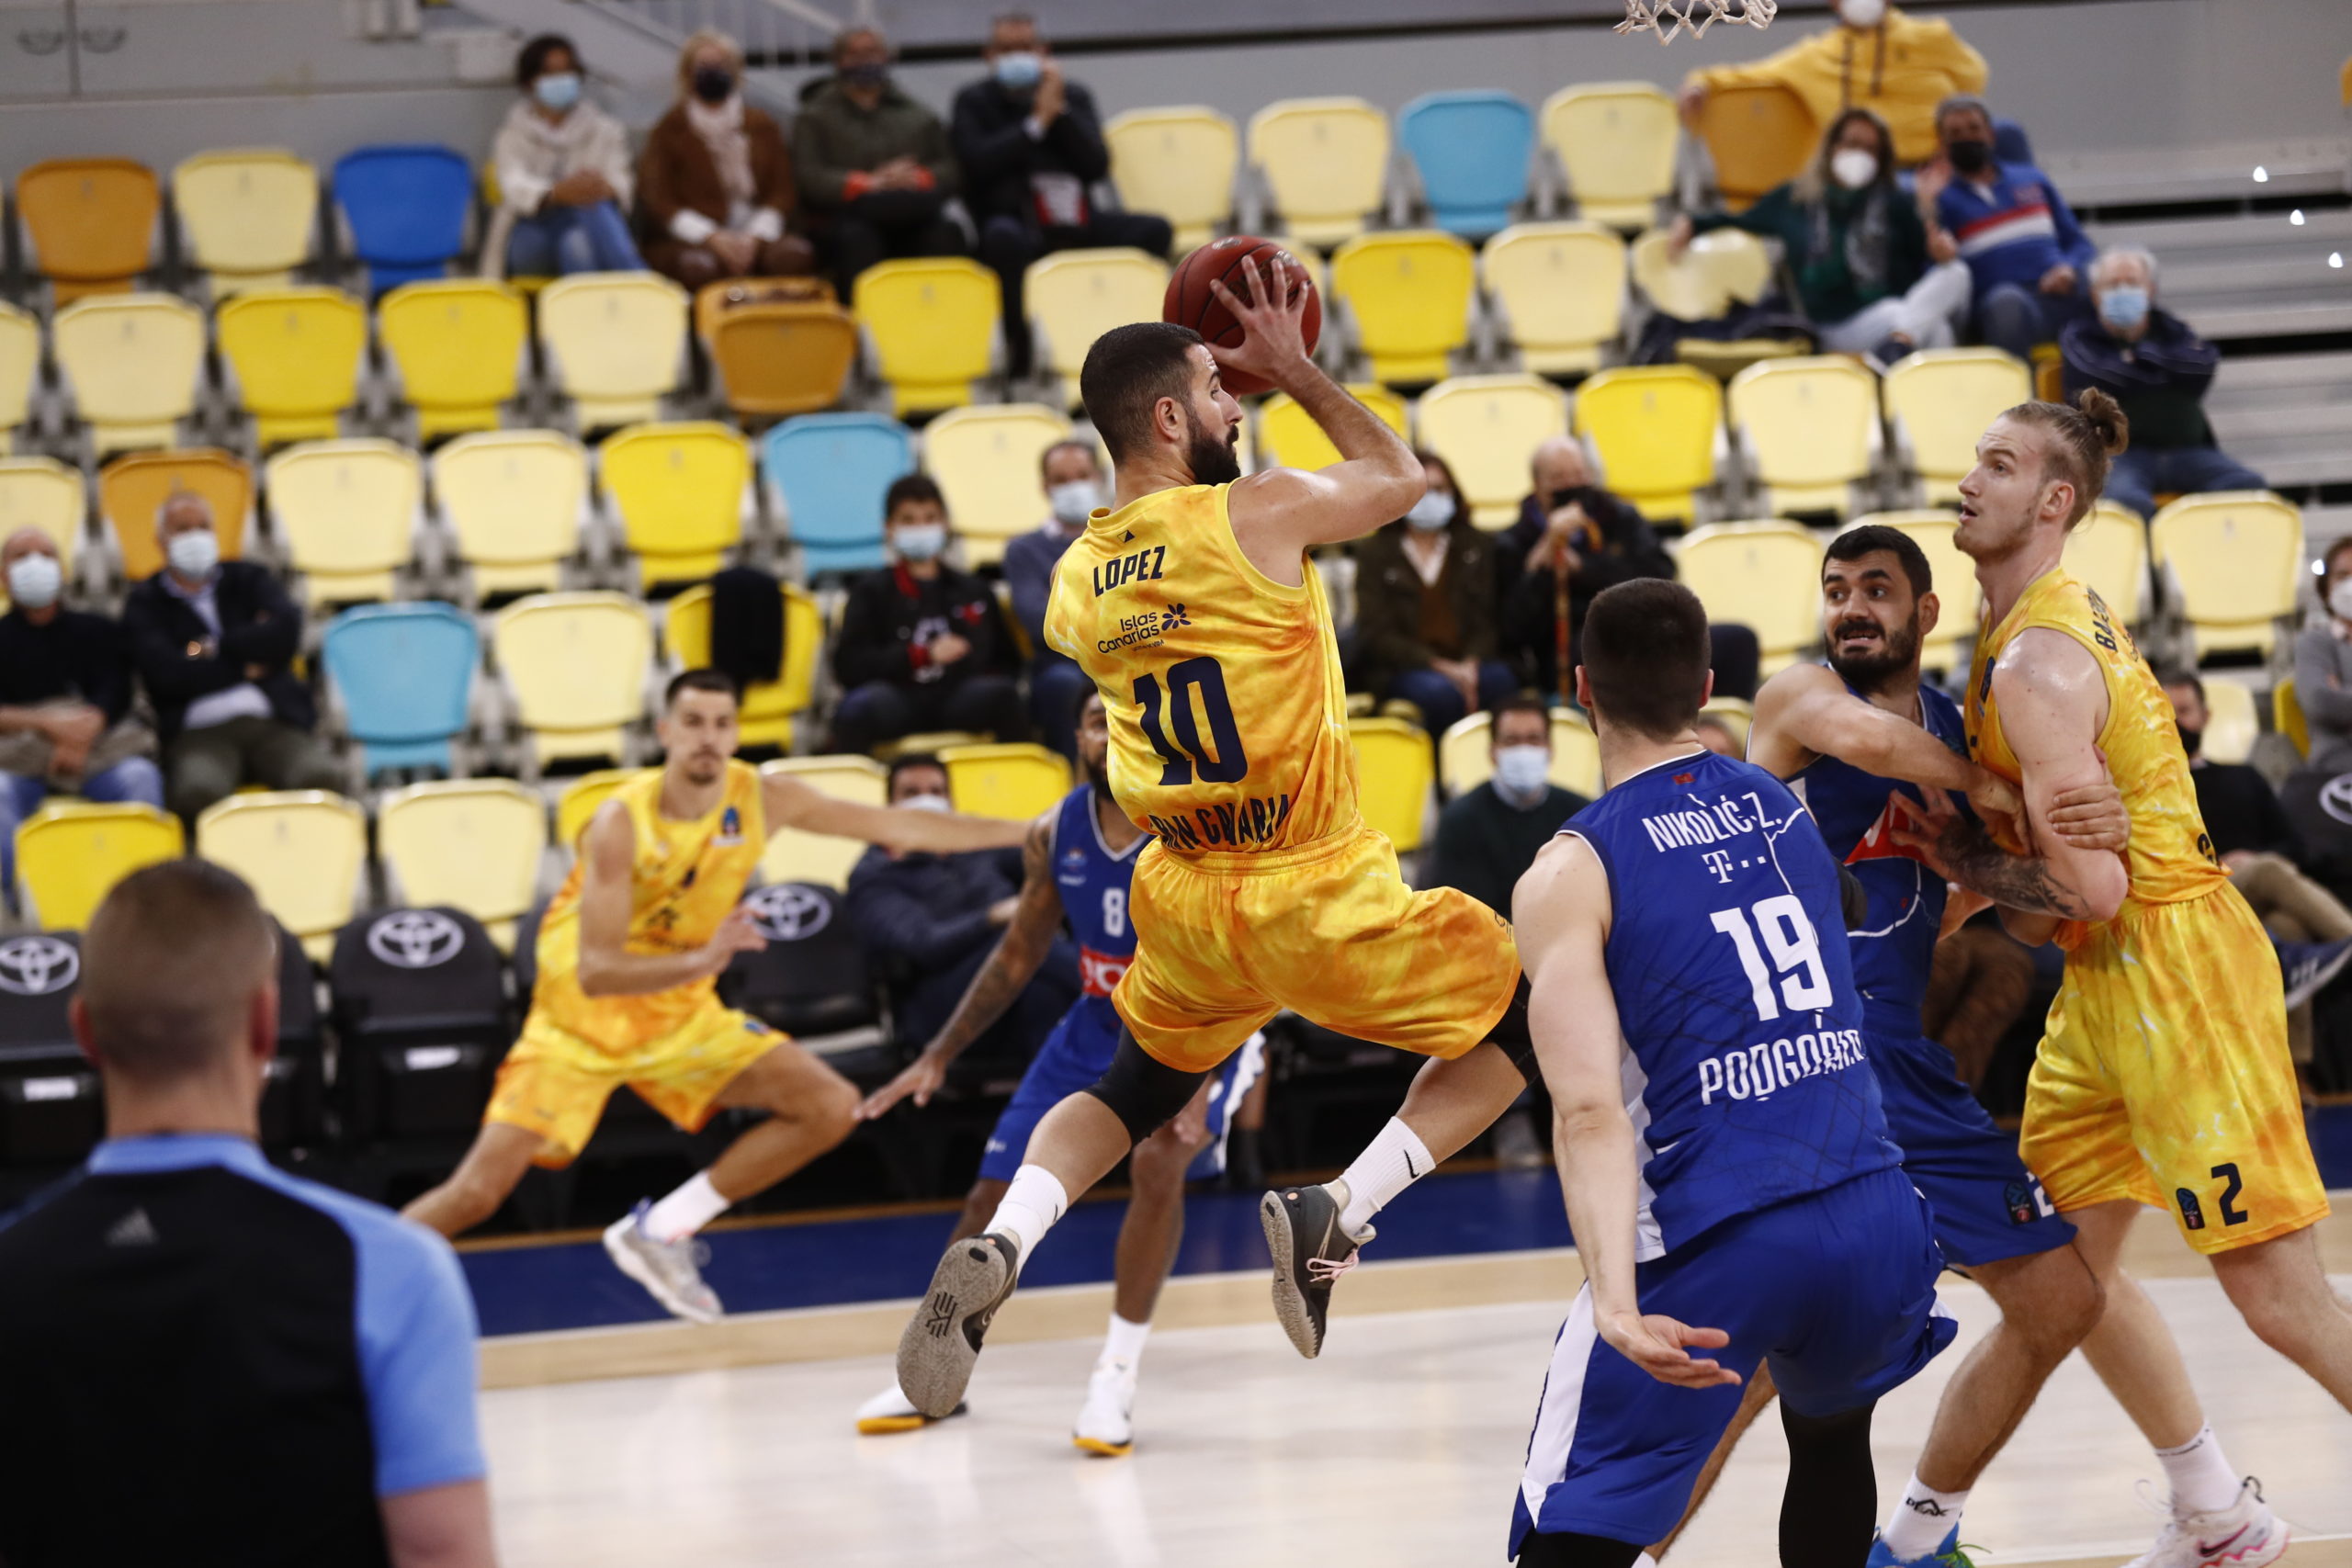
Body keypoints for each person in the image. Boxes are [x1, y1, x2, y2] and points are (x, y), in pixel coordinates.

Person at [891, 270, 1536, 1416]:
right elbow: (1400, 478)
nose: (1236, 406)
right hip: (1309, 883)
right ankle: (1340, 1210)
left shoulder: (1077, 579)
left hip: (1186, 893)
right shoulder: (1260, 511)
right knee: (1531, 1019)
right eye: (1214, 388)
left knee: (1133, 1084)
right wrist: (1294, 367)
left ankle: (1010, 1237)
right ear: (1167, 417)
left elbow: (1148, 608)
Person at [1874, 390, 2352, 1562]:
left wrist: (1971, 861)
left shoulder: (2036, 663)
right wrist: (1986, 862)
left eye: (1996, 464)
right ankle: (2211, 1515)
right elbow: (2057, 905)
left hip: (2181, 976)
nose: (1966, 480)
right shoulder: (2016, 629)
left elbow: (2087, 891)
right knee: (2058, 1280)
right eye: (1972, 458)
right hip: (2106, 987)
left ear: (2053, 501)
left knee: (2278, 1300)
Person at [1509, 577, 1954, 1565]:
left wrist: (1615, 1304)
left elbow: (1588, 1113)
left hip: (1718, 1230)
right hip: (1875, 1212)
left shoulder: (1570, 869)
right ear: (1707, 688)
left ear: (1581, 690)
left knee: (1569, 1523)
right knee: (1831, 1441)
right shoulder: (1780, 807)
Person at [402, 671, 1030, 1323]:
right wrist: (703, 959)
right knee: (476, 1193)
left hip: (678, 1018)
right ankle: (355, 1272)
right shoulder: (620, 820)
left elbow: (902, 825)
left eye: (722, 724)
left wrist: (1034, 829)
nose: (708, 737)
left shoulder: (763, 797)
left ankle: (660, 1229)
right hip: (576, 1027)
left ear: (735, 733)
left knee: (829, 1106)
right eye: (694, 722)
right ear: (665, 731)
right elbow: (597, 971)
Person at [0, 861, 494, 1568]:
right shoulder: (391, 1269)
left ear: (85, 1030)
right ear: (265, 1020)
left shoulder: (12, 1270)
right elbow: (442, 1553)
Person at [854, 694, 1265, 1450]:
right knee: (989, 1193)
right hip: (1095, 1024)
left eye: (1122, 718)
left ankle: (1116, 1375)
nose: (1109, 733)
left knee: (1158, 1164)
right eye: (1095, 720)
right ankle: (936, 1371)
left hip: (1195, 1026)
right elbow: (1017, 953)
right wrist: (938, 1052)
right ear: (1076, 735)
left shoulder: (1194, 823)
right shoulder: (1053, 830)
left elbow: (1243, 958)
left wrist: (1204, 1072)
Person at [952, 11, 1173, 379]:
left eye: (1026, 48)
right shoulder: (974, 101)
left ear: (1044, 52)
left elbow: (1096, 165)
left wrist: (1060, 113)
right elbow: (976, 164)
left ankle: (1142, 344)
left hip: (1077, 219)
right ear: (988, 55)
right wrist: (1035, 124)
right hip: (1016, 221)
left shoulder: (1073, 96)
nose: (1017, 56)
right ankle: (1020, 355)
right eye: (1006, 49)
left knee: (1154, 230)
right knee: (1001, 237)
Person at [1672, 107, 1970, 365]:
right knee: (1925, 325)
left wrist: (1930, 220)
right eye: (1853, 144)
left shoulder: (1894, 201)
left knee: (1955, 274)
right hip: (1832, 324)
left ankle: (1897, 351)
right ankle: (1906, 362)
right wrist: (1691, 223)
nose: (1861, 155)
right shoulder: (1794, 199)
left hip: (1893, 315)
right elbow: (1740, 220)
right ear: (1831, 147)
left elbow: (1924, 262)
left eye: (1870, 149)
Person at [845, 752, 1078, 1070]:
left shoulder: (971, 847)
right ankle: (1110, 992)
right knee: (1019, 944)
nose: (927, 800)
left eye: (937, 791)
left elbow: (1047, 855)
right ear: (890, 806)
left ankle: (1062, 1093)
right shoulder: (873, 876)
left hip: (1015, 987)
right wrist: (994, 916)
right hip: (939, 1003)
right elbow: (924, 944)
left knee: (1044, 997)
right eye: (911, 793)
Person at [121, 492, 342, 822]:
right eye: (182, 528)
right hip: (199, 734)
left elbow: (284, 633)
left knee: (321, 778)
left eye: (203, 526)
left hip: (273, 722)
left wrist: (207, 647)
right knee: (196, 793)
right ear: (160, 540)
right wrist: (245, 662)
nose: (195, 536)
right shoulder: (145, 601)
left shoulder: (249, 578)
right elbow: (167, 673)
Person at [1499, 437, 1760, 704]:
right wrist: (1542, 565)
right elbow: (1515, 630)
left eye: (1578, 474)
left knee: (1738, 641)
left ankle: (1716, 725)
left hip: (1646, 631)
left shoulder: (1619, 516)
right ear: (1537, 485)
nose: (1571, 485)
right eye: (1558, 478)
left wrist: (1583, 568)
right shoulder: (1515, 542)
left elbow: (1660, 571)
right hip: (1578, 650)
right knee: (1597, 648)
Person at [2163, 671, 2352, 1038]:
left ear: (2206, 716)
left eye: (2184, 711)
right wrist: (2221, 865)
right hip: (2200, 895)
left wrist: (2251, 858)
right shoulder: (2156, 789)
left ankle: (2296, 1069)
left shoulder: (2244, 776)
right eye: (2166, 714)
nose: (2176, 723)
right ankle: (2346, 935)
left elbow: (2295, 847)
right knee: (2268, 870)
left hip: (2258, 893)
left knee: (2287, 927)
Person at [0, 526, 164, 906]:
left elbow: (117, 692)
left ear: (63, 570)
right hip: (22, 763)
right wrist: (49, 727)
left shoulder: (98, 629)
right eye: (22, 556)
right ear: (4, 576)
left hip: (98, 754)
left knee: (140, 777)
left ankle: (143, 901)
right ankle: (19, 903)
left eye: (46, 555)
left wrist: (83, 733)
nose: (35, 564)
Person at [2061, 247, 2267, 520]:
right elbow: (2105, 376)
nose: (2123, 291)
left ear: (2150, 290)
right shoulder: (2079, 336)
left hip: (2187, 452)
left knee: (2247, 487)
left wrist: (2141, 357)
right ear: (2095, 294)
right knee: (2126, 504)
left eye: (2132, 283)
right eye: (2113, 284)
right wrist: (2168, 373)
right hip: (2116, 456)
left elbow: (2203, 364)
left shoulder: (2171, 328)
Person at [830, 475, 1027, 754]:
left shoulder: (974, 590)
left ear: (945, 524)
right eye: (909, 520)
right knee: (855, 710)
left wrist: (970, 663)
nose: (921, 528)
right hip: (897, 698)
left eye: (930, 518)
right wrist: (919, 656)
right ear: (889, 528)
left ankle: (1019, 780)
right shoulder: (870, 591)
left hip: (957, 696)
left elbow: (1008, 662)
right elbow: (849, 666)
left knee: (1006, 697)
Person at [1676, 0, 1988, 166]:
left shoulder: (1932, 36)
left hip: (1935, 165)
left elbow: (1973, 81)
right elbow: (1748, 75)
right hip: (1860, 175)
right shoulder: (1815, 56)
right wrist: (1700, 82)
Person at [636, 29, 818, 289]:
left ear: (735, 71)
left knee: (793, 254)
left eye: (720, 65)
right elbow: (659, 200)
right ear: (687, 73)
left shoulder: (761, 125)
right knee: (697, 265)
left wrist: (754, 238)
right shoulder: (669, 129)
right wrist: (711, 237)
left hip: (756, 227)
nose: (713, 72)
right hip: (694, 237)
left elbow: (782, 192)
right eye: (704, 66)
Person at [1355, 449, 1519, 737]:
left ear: (1454, 494)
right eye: (1422, 490)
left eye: (1440, 489)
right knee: (1439, 695)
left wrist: (1470, 665)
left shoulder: (1476, 545)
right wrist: (1440, 666)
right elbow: (1376, 634)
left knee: (1501, 682)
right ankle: (1441, 765)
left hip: (1471, 661)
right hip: (1407, 667)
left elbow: (1488, 619)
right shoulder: (1376, 553)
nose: (1431, 498)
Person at [793, 27, 966, 295]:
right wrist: (869, 183)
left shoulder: (918, 113)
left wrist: (916, 178)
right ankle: (861, 318)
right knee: (856, 239)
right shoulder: (813, 116)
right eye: (854, 54)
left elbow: (950, 168)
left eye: (872, 52)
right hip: (844, 217)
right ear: (838, 60)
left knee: (945, 233)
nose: (865, 60)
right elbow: (809, 176)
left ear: (887, 57)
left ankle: (941, 315)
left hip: (911, 210)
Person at [1928, 95, 2097, 362]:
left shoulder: (2032, 178)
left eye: (1974, 128)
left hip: (2063, 291)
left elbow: (2078, 243)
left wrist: (2069, 268)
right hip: (2005, 304)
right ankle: (2020, 390)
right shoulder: (1940, 199)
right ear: (1942, 144)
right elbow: (1935, 272)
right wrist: (1929, 219)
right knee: (2007, 304)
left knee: (2123, 275)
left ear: (1990, 135)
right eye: (1955, 133)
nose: (1967, 137)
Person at [483, 33, 643, 279]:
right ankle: (639, 280)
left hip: (587, 230)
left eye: (566, 71)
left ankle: (613, 293)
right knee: (587, 207)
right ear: (529, 82)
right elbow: (512, 185)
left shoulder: (605, 130)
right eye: (550, 73)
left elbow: (621, 180)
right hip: (530, 237)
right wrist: (557, 193)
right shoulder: (511, 135)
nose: (560, 79)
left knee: (578, 242)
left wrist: (599, 187)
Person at [1430, 694, 1589, 922]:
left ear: (1550, 749)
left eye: (1534, 739)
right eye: (1511, 741)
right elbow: (1457, 911)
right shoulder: (1459, 819)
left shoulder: (1579, 815)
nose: (1523, 750)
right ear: (1493, 751)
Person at [1002, 438, 1109, 759]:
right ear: (1045, 487)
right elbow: (1040, 622)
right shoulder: (1023, 550)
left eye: (1082, 476)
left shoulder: (1123, 537)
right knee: (1064, 685)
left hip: (1126, 654)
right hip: (1062, 665)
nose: (1073, 486)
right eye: (1061, 480)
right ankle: (1075, 780)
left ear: (1100, 477)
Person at [2294, 536, 2352, 773]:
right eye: (2342, 576)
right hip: (2335, 769)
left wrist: (2343, 692)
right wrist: (2333, 698)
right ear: (2326, 589)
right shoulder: (2313, 644)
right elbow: (2320, 702)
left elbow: (2337, 703)